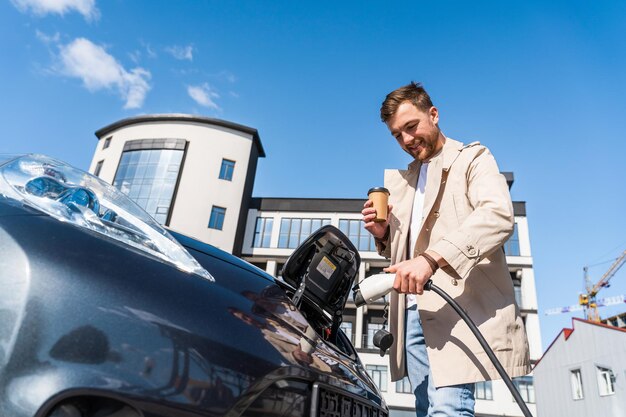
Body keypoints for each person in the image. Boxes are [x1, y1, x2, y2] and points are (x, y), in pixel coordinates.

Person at [362, 82, 530, 416]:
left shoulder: (474, 158)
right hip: (410, 311)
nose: (407, 140)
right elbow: (408, 250)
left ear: (434, 114)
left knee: (449, 409)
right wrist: (384, 235)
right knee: (427, 410)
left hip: (456, 307)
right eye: (397, 135)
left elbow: (497, 216)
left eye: (411, 127)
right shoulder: (405, 182)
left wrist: (430, 259)